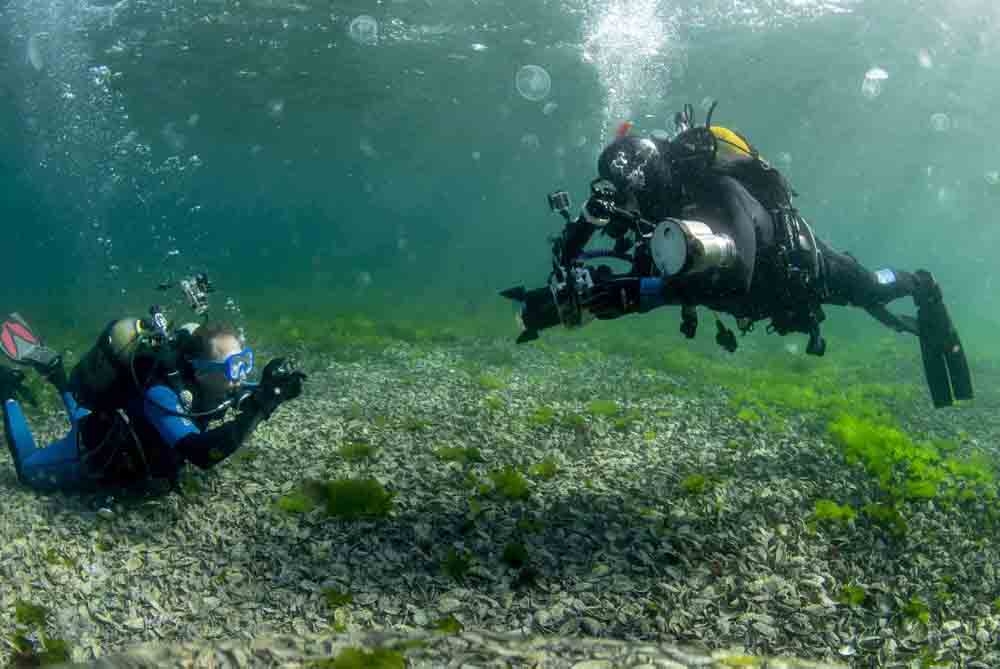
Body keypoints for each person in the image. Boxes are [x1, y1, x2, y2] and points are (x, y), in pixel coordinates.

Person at [503, 102, 972, 407]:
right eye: (625, 201)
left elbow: (738, 278)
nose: (634, 212)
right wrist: (582, 243)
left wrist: (637, 292)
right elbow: (602, 269)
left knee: (872, 287)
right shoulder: (660, 217)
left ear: (653, 177)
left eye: (633, 196)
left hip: (807, 273)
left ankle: (920, 283)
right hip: (758, 300)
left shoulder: (721, 189)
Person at [1, 313, 306, 493]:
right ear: (200, 371)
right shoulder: (162, 394)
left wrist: (271, 388)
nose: (241, 376)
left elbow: (241, 397)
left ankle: (56, 373)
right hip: (94, 450)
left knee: (82, 412)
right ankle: (7, 391)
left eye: (244, 362)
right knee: (28, 472)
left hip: (114, 421)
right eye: (232, 367)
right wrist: (264, 403)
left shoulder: (213, 382)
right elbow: (201, 453)